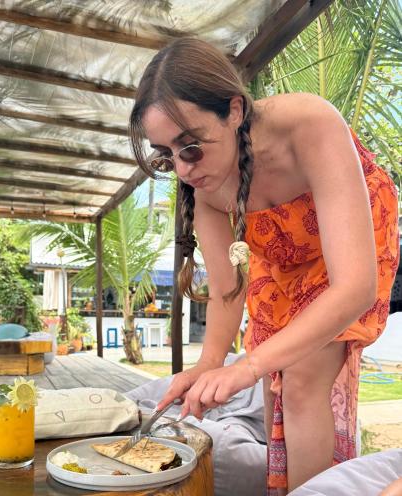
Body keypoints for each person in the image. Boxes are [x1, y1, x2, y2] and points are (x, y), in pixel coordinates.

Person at [128, 38, 399, 495]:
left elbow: (355, 285)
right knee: (274, 391)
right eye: (165, 155)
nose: (182, 169)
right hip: (284, 256)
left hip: (354, 240)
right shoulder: (205, 187)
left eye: (189, 146)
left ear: (234, 111)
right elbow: (226, 291)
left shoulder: (307, 124)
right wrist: (208, 365)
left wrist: (246, 366)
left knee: (299, 381)